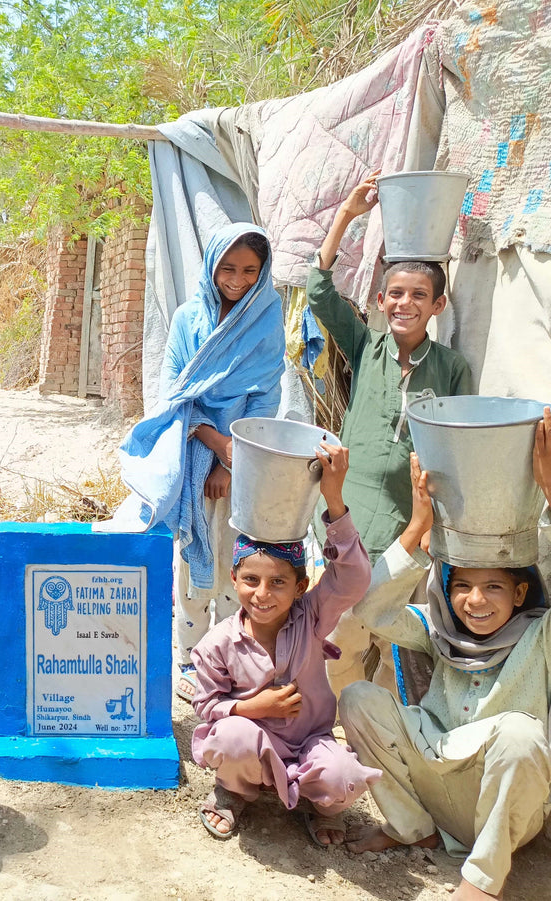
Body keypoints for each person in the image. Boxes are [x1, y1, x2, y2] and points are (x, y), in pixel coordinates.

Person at [340, 409, 551, 901]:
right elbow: (372, 610)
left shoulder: (539, 635)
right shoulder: (438, 628)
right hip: (438, 785)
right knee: (357, 697)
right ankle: (414, 827)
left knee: (522, 733)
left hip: (505, 804)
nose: (476, 601)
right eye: (464, 587)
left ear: (520, 594)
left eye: (494, 587)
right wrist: (417, 528)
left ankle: (482, 881)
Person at [308, 172, 472, 697]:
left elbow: (457, 448)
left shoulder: (451, 368)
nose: (405, 304)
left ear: (437, 306)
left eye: (418, 295)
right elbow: (318, 291)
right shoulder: (366, 348)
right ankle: (334, 726)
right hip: (346, 516)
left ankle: (384, 727)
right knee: (339, 635)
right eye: (395, 294)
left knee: (392, 634)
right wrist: (347, 216)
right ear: (380, 300)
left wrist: (434, 522)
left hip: (407, 523)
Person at [108, 224, 285, 703]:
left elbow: (266, 393)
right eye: (227, 268)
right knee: (193, 555)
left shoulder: (267, 316)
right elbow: (175, 393)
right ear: (210, 267)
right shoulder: (189, 319)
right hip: (192, 452)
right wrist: (211, 444)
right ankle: (189, 659)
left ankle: (229, 660)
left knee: (238, 562)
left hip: (248, 457)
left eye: (250, 270)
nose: (237, 279)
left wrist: (234, 458)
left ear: (262, 272)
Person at [191, 443, 380, 844]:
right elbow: (206, 707)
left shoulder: (312, 616)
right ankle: (235, 790)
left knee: (344, 778)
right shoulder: (217, 643)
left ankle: (319, 803)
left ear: (301, 587)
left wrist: (333, 498)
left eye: (278, 582)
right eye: (251, 580)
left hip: (310, 741)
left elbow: (354, 580)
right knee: (230, 737)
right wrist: (250, 707)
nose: (262, 594)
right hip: (253, 743)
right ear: (234, 578)